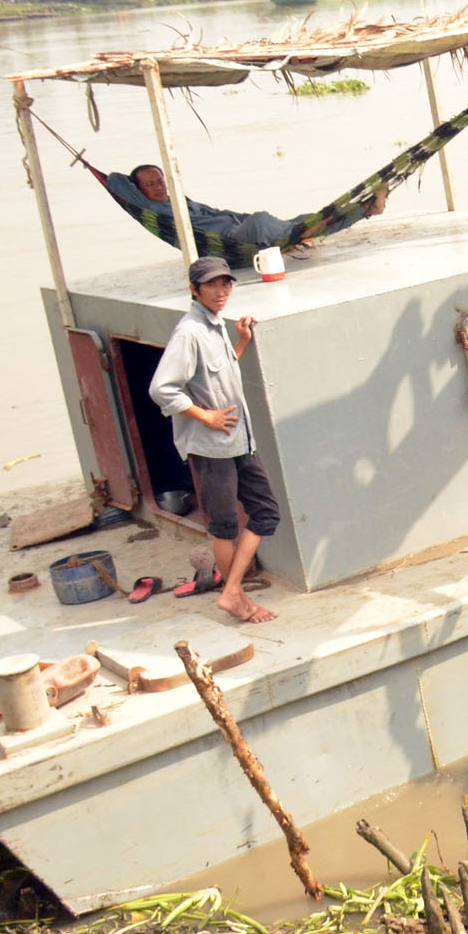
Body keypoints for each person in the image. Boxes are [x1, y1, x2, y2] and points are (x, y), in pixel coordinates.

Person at [148, 256, 280, 625]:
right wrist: (206, 416)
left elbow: (217, 375)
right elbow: (162, 389)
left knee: (266, 511)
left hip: (239, 440)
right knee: (224, 525)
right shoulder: (189, 332)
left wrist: (241, 342)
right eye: (211, 285)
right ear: (195, 290)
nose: (221, 291)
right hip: (212, 448)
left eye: (225, 284)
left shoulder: (215, 325)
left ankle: (231, 590)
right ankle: (237, 598)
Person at [119, 164, 385, 250]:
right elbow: (116, 182)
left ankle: (366, 209)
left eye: (160, 181)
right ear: (139, 190)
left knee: (304, 220)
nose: (159, 187)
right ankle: (295, 235)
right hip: (227, 240)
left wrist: (241, 218)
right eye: (150, 185)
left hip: (236, 226)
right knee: (263, 221)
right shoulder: (154, 211)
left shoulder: (179, 200)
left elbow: (216, 213)